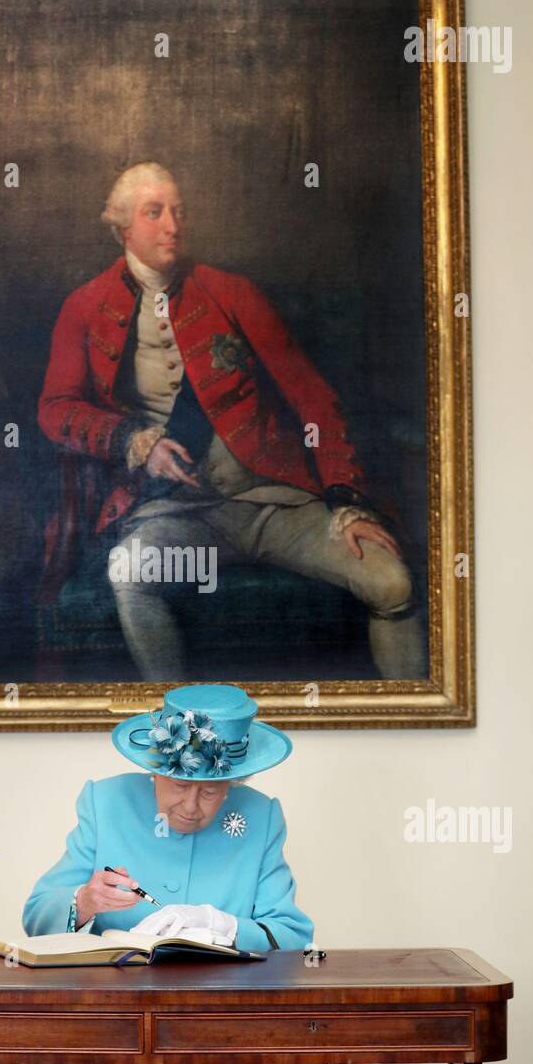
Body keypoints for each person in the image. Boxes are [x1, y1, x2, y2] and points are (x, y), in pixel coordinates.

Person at [36, 160, 427, 681]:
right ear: (122, 226)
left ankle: (404, 730)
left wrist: (348, 500)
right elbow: (54, 409)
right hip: (176, 514)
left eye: (180, 211)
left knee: (392, 583)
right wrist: (133, 439)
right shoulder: (84, 307)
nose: (174, 225)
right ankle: (179, 738)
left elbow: (314, 398)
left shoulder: (232, 292)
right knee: (130, 571)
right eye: (156, 213)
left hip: (275, 503)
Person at [0, 682, 313, 1064]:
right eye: (178, 786)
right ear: (155, 769)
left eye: (211, 791)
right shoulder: (106, 800)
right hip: (100, 1041)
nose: (191, 806)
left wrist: (223, 924)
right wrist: (85, 901)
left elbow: (293, 934)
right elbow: (36, 915)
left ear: (234, 781)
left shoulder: (258, 817)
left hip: (213, 1047)